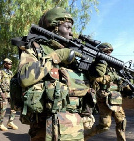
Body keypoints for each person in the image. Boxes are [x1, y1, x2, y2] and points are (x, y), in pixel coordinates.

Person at [15, 7, 107, 140]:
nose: (71, 32)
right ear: (55, 27)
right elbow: (24, 77)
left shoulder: (74, 52)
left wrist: (94, 72)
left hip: (75, 124)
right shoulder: (36, 47)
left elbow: (80, 81)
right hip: (45, 125)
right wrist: (56, 56)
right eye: (68, 27)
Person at [84, 43, 127, 141]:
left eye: (110, 52)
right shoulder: (95, 64)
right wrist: (112, 77)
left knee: (122, 122)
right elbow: (95, 78)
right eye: (106, 51)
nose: (109, 54)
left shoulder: (113, 65)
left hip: (116, 99)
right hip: (104, 98)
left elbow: (119, 81)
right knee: (104, 126)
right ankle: (82, 138)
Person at [0, 58, 18, 131]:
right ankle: (0, 124)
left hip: (10, 94)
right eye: (9, 64)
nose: (10, 65)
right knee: (3, 109)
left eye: (11, 64)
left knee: (14, 108)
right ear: (5, 64)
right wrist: (1, 93)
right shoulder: (0, 72)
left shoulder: (10, 73)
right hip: (3, 94)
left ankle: (10, 122)